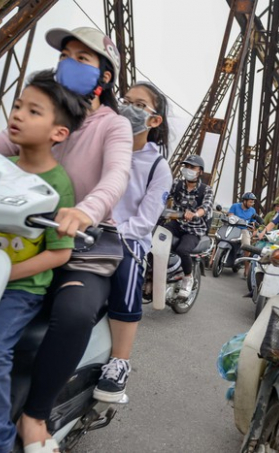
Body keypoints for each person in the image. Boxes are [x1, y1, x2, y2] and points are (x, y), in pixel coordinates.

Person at [0, 27, 132, 451]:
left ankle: (34, 416)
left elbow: (116, 176)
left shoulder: (114, 125)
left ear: (105, 76)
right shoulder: (42, 114)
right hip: (25, 232)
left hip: (85, 239)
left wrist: (85, 210)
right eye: (65, 55)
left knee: (73, 312)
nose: (68, 63)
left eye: (82, 59)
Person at [0, 70, 88, 453]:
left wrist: (4, 273)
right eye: (17, 106)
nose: (17, 115)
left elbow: (59, 252)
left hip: (18, 288)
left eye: (33, 111)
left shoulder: (58, 184)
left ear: (58, 133)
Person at [92, 82, 173, 403]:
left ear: (154, 121)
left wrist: (112, 232)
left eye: (138, 105)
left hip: (126, 238)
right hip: (88, 227)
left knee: (128, 267)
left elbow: (145, 221)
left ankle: (120, 361)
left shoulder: (157, 166)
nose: (127, 107)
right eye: (125, 100)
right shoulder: (104, 146)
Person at [164, 154, 214, 298]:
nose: (188, 169)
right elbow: (164, 195)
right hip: (177, 223)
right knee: (156, 239)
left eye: (192, 167)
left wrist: (195, 214)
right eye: (186, 166)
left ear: (200, 171)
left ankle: (188, 277)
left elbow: (206, 207)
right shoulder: (177, 184)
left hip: (194, 228)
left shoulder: (206, 190)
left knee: (183, 249)